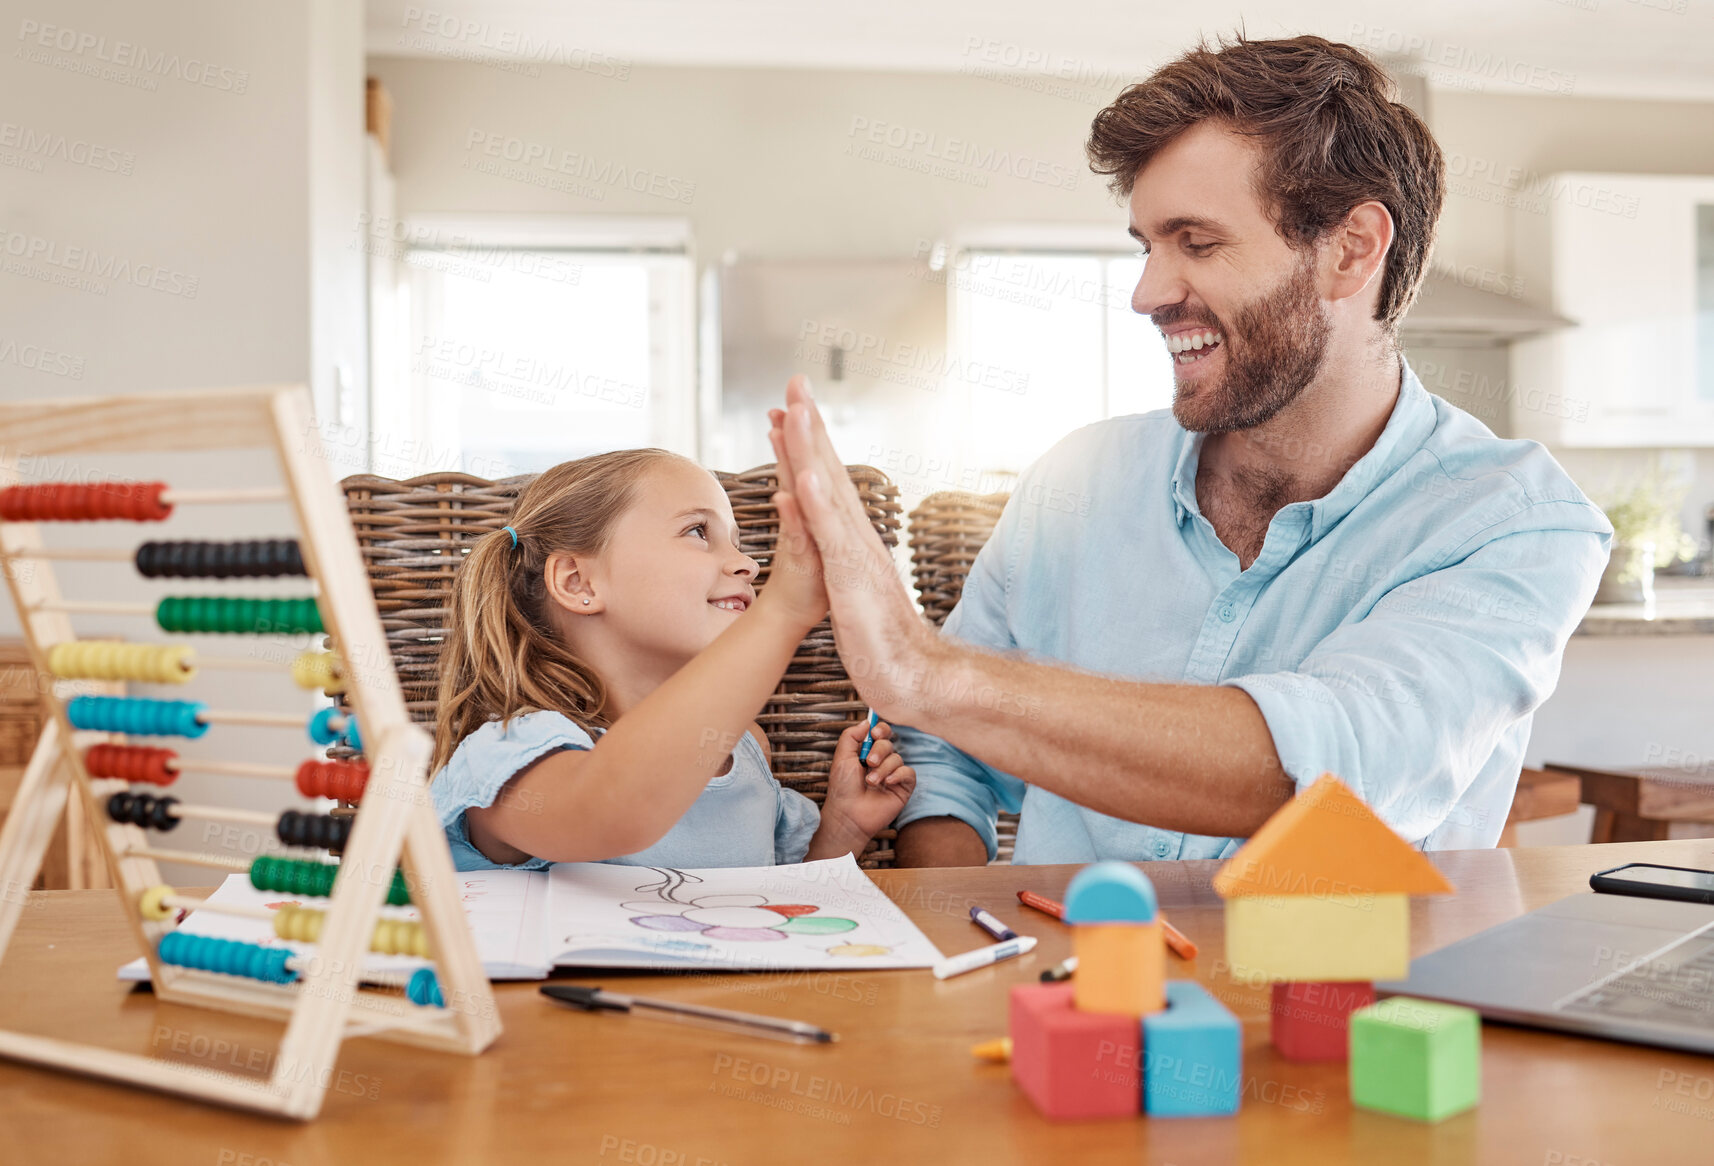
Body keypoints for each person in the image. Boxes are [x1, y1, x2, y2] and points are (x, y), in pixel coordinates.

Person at [766, 35, 1611, 867]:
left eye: (1197, 243)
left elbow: (1331, 774)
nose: (1147, 293)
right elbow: (941, 752)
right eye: (1147, 247)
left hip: (1340, 999)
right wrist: (961, 934)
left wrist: (928, 668)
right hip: (1060, 993)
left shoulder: (1514, 520)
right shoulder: (1079, 479)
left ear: (1351, 250)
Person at [428, 448, 915, 871]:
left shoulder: (744, 750)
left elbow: (769, 906)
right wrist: (782, 613)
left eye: (739, 543)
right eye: (699, 531)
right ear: (579, 582)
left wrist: (841, 831)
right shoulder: (508, 755)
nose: (749, 565)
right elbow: (613, 812)